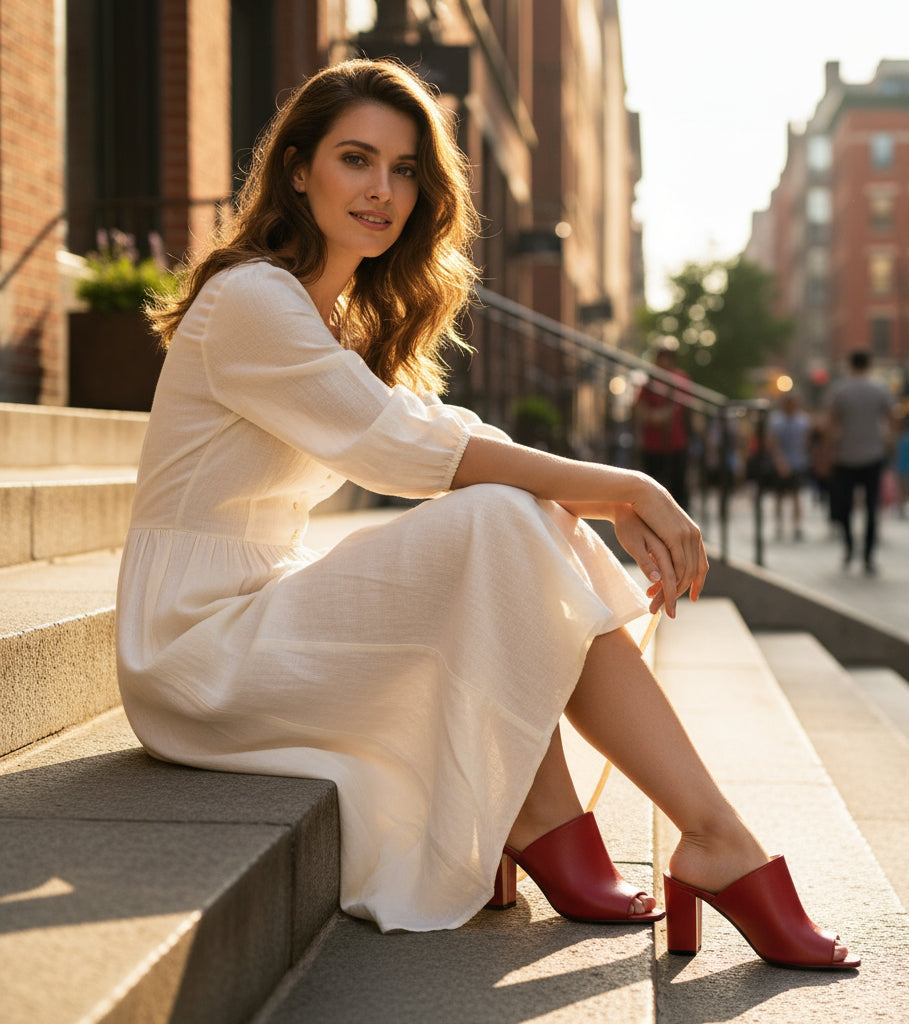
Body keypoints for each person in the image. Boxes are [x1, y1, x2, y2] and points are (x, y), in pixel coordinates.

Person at [117, 58, 856, 969]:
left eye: (405, 169)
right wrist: (627, 488)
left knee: (510, 513)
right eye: (357, 160)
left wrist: (592, 489)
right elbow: (404, 453)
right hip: (191, 651)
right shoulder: (252, 301)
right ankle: (667, 832)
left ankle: (658, 828)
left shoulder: (334, 316)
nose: (382, 190)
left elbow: (449, 430)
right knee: (499, 514)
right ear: (298, 168)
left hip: (257, 613)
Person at [825, 350, 896, 574]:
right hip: (873, 455)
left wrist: (828, 452)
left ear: (849, 364)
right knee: (872, 508)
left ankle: (849, 547)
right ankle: (868, 556)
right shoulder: (880, 389)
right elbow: (894, 418)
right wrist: (888, 442)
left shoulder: (840, 390)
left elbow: (831, 423)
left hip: (846, 455)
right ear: (869, 364)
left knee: (844, 505)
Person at [634, 346, 691, 509]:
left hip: (676, 443)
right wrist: (656, 416)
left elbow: (679, 409)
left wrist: (657, 415)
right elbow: (640, 410)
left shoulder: (680, 379)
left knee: (678, 490)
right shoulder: (649, 382)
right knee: (655, 489)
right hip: (653, 445)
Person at [764, 393, 812, 541]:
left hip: (798, 462)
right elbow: (772, 443)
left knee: (796, 494)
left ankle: (797, 526)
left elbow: (806, 441)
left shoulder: (803, 420)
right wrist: (779, 461)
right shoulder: (776, 421)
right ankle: (779, 525)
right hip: (782, 463)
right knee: (779, 495)